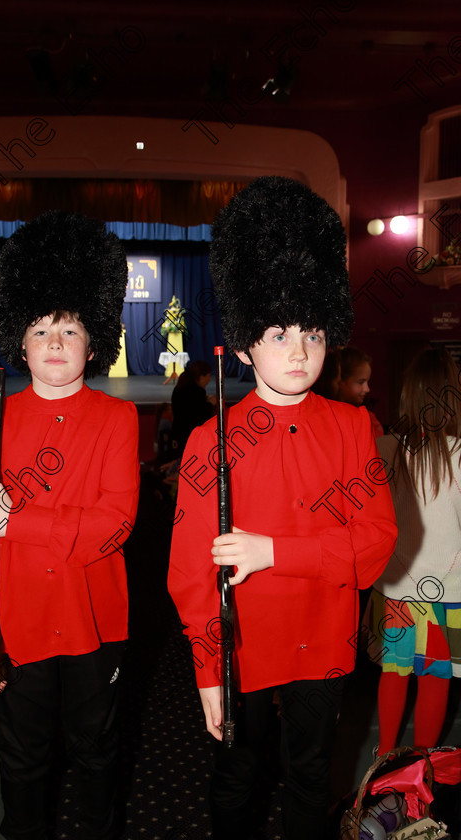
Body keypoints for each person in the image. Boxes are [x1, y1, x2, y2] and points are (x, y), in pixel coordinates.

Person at [167, 176, 397, 840]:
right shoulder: (211, 439)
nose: (299, 350)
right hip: (241, 649)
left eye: (313, 331)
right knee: (236, 783)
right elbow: (188, 574)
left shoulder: (355, 427)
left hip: (324, 647)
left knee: (309, 779)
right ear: (243, 345)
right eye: (277, 332)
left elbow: (377, 542)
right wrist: (209, 673)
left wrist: (275, 552)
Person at [0, 212, 140, 840]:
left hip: (95, 625)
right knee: (23, 766)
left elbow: (115, 524)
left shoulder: (118, 420)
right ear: (19, 341)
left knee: (97, 757)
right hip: (17, 627)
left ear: (95, 341)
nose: (55, 340)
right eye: (40, 328)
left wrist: (20, 520)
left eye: (70, 327)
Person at [366, 346, 461, 756]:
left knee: (395, 671)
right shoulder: (460, 452)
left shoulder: (386, 449)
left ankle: (384, 759)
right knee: (436, 675)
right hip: (451, 591)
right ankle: (420, 765)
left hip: (396, 586)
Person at [337, 345, 384, 437]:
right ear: (340, 380)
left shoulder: (368, 418)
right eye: (360, 382)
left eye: (367, 381)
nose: (367, 389)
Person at [171, 360, 216, 455]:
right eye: (208, 376)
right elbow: (200, 414)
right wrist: (211, 403)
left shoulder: (180, 387)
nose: (209, 380)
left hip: (178, 432)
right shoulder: (197, 392)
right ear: (201, 377)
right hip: (190, 435)